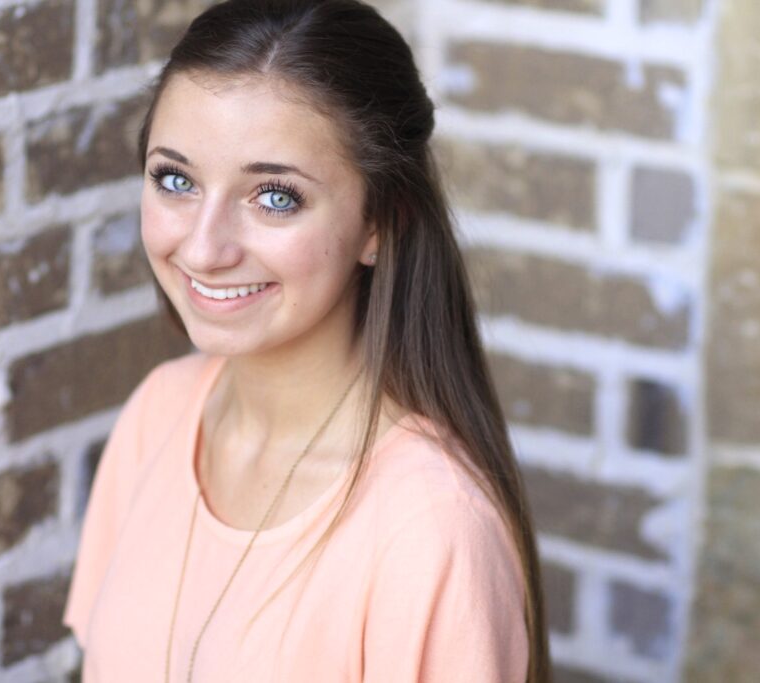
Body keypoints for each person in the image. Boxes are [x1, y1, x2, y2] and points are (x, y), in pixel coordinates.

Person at [62, 0, 551, 681]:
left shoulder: (431, 527)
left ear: (380, 221)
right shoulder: (159, 415)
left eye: (274, 197)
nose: (203, 249)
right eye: (176, 180)